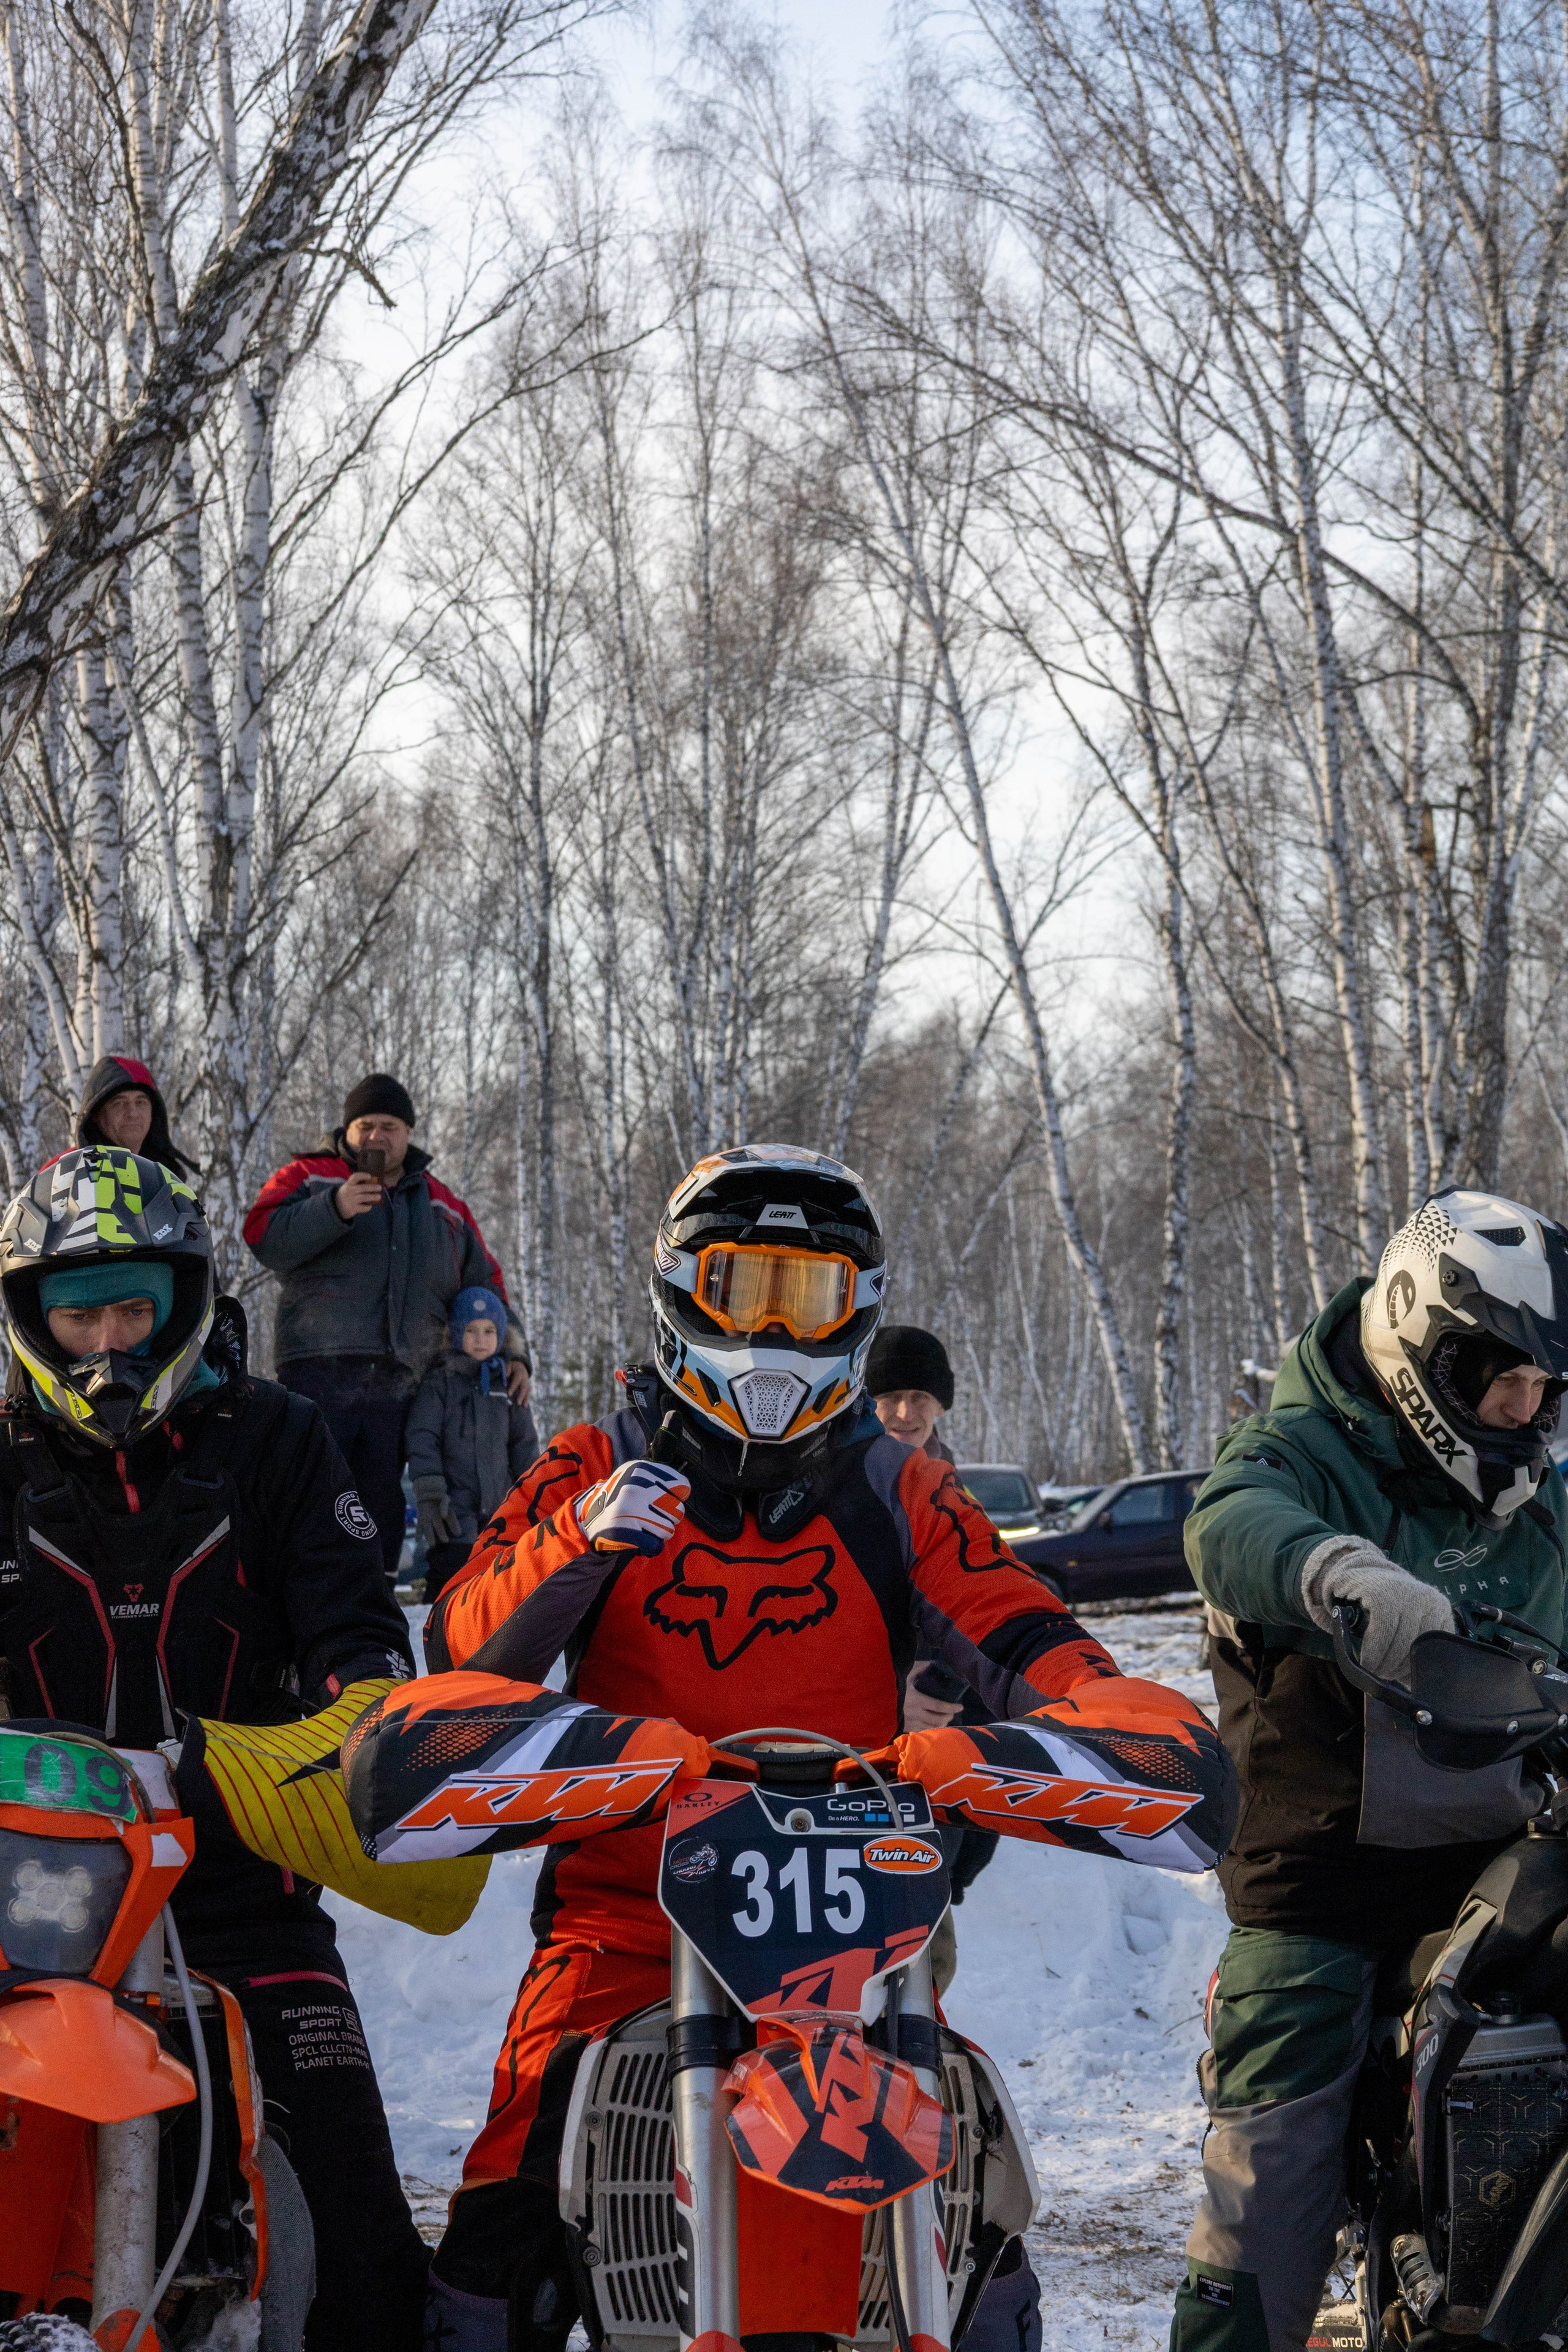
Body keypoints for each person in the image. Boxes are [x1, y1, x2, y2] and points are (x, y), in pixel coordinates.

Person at [342, 1143, 1235, 2352]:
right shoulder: (594, 1461)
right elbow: (460, 1644)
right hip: (627, 1914)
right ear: (678, 1292)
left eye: (803, 1296)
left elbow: (1022, 1625)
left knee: (972, 2177)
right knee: (508, 2189)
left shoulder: (899, 1486)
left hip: (856, 1928)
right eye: (740, 1286)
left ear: (853, 1313)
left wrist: (1103, 1715)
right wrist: (579, 1546)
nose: (769, 1328)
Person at [0, 1146, 428, 2351]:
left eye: (136, 1306)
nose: (108, 1341)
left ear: (184, 1302)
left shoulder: (275, 1437)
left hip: (245, 1884)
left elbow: (354, 1620)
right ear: (33, 1314)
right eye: (78, 1310)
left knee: (368, 2269)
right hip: (27, 1914)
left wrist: (359, 1719)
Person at [1172, 1186, 1568, 2352]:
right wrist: (1340, 1574)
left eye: (1546, 1388)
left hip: (1506, 1852)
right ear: (1421, 1346)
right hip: (1326, 1879)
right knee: (1272, 2167)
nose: (1523, 1409)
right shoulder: (1300, 1449)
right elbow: (1226, 1521)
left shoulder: (1539, 1498)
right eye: (1501, 1378)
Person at [243, 1072, 530, 1583]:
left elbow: (489, 1284)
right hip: (318, 1371)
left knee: (381, 1502)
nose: (377, 1136)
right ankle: (303, 1607)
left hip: (402, 1379)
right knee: (314, 1493)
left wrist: (514, 1354)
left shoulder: (443, 1204)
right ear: (348, 1130)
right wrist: (333, 1209)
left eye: (390, 1126)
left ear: (409, 1132)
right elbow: (262, 1234)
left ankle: (373, 1613)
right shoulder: (312, 1175)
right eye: (366, 1125)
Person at [867, 1321, 998, 1973]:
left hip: (938, 1754)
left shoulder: (958, 1495)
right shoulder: (838, 1487)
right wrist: (896, 1696)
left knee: (923, 1956)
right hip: (847, 1744)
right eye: (887, 1395)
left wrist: (940, 1691)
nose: (903, 1412)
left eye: (920, 1395)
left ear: (942, 1403)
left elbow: (984, 1610)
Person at [406, 1284, 540, 1605]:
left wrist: (533, 1495)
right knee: (449, 1577)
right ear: (454, 1333)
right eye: (471, 1330)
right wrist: (430, 1492)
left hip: (501, 1509)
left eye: (489, 1330)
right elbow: (423, 1438)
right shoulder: (439, 1384)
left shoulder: (508, 1384)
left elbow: (524, 1444)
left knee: (499, 1582)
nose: (481, 1339)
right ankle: (432, 1632)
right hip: (454, 1509)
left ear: (502, 1335)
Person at [62, 1052, 198, 1178]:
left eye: (141, 1102)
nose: (132, 1114)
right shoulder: (64, 1173)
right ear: (95, 1115)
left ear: (153, 1113)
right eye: (119, 1103)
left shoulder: (168, 1177)